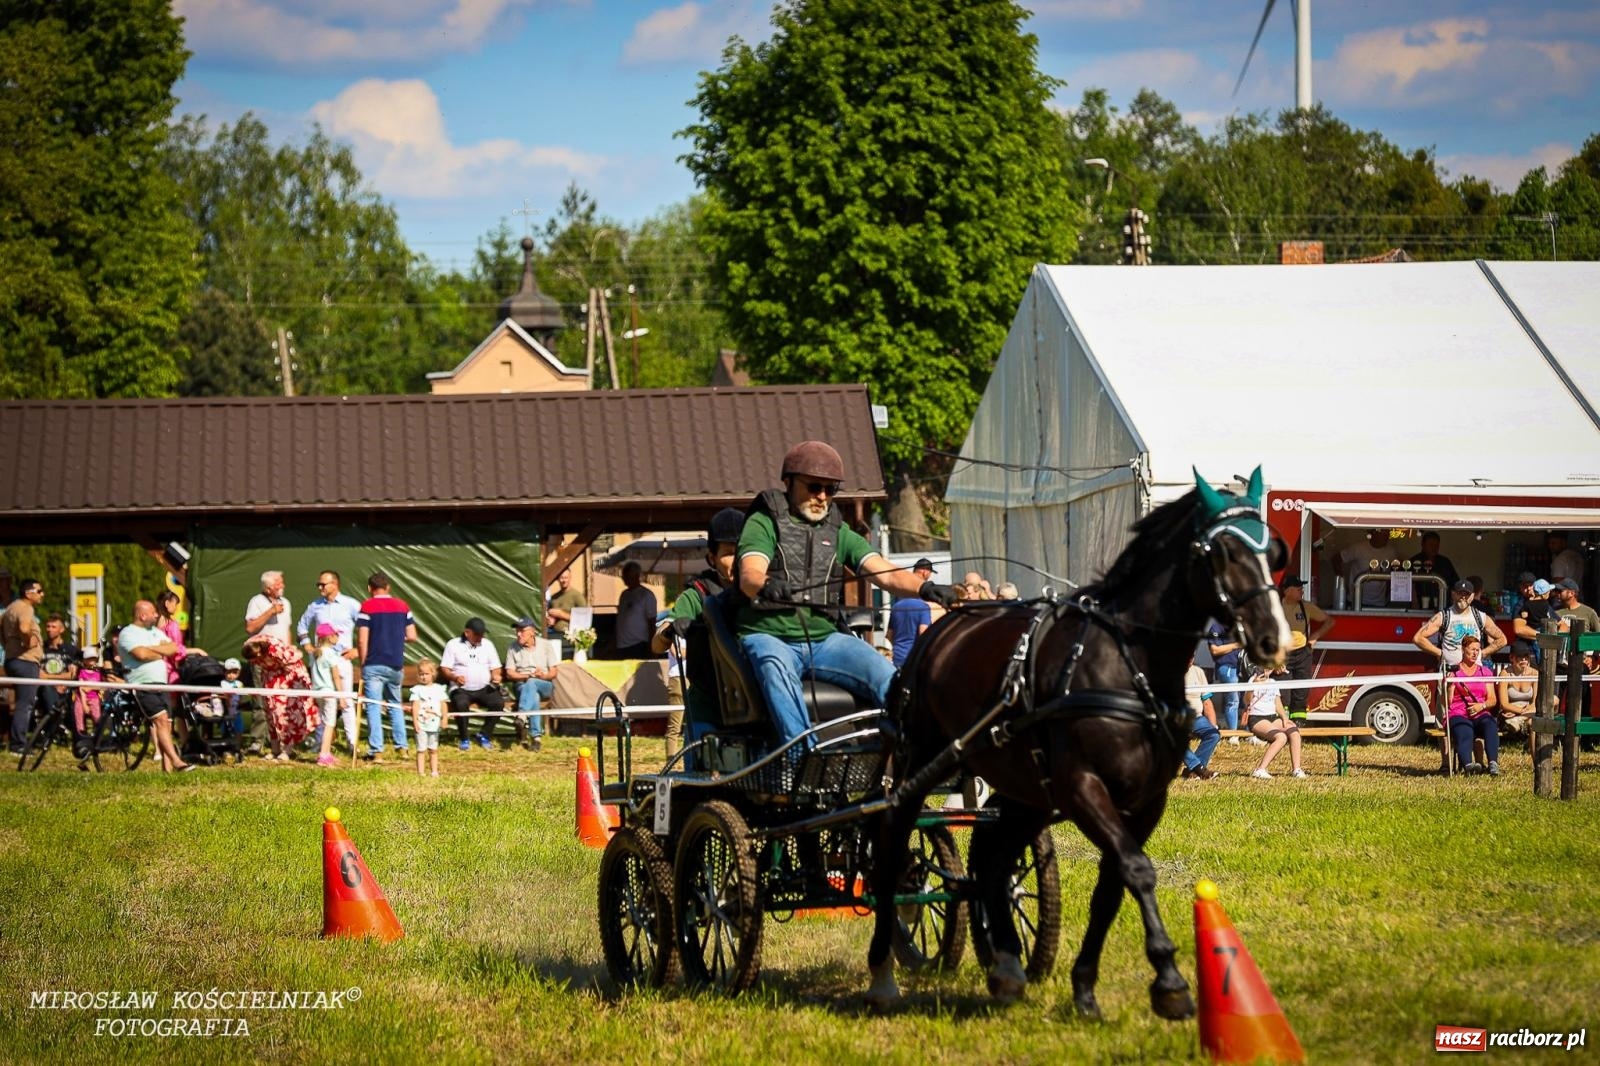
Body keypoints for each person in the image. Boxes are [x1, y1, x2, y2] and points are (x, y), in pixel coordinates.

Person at [735, 440, 958, 750]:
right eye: (814, 486)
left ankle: (910, 751)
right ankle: (804, 758)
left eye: (831, 489)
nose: (822, 497)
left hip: (824, 639)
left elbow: (886, 573)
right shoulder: (764, 522)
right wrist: (766, 584)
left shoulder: (838, 532)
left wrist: (925, 589)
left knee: (887, 675)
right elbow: (749, 575)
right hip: (769, 636)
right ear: (788, 483)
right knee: (776, 669)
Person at [651, 507, 746, 759]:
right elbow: (657, 645)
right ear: (711, 558)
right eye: (728, 553)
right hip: (707, 706)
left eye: (741, 552)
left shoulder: (761, 592)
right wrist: (669, 630)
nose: (736, 560)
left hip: (753, 705)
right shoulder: (696, 595)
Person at [117, 600, 194, 773]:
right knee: (159, 721)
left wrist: (151, 649)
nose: (157, 615)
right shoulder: (128, 633)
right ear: (142, 615)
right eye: (153, 612)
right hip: (142, 684)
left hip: (162, 684)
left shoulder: (155, 632)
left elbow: (173, 647)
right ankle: (177, 761)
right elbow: (141, 654)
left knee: (166, 725)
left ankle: (166, 771)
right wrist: (159, 651)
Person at [355, 570, 417, 761]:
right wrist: (395, 638)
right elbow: (413, 636)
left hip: (374, 663)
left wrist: (364, 662)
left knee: (373, 707)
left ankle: (377, 751)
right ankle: (403, 748)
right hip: (396, 665)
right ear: (388, 587)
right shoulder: (402, 606)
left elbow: (362, 640)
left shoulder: (367, 607)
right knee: (394, 705)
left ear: (369, 588)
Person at [241, 635, 318, 760]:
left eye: (258, 655)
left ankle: (287, 749)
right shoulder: (250, 647)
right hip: (270, 677)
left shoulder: (275, 649)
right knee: (270, 714)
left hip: (289, 675)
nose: (258, 658)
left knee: (285, 714)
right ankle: (275, 749)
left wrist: (286, 684)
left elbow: (292, 663)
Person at [440, 617, 504, 751]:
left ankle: (484, 734)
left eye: (482, 634)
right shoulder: (453, 645)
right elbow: (445, 669)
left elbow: (496, 667)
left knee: (498, 703)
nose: (480, 637)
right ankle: (464, 738)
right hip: (461, 688)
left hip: (484, 687)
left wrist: (496, 676)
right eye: (477, 634)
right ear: (467, 632)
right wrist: (455, 677)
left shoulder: (488, 645)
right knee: (460, 703)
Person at [1413, 579, 1508, 668]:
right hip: (1450, 674)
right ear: (1453, 594)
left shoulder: (1481, 617)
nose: (1463, 597)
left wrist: (1483, 653)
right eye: (1460, 593)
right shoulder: (1443, 616)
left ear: (1472, 596)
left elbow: (1502, 639)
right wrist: (1440, 653)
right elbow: (1418, 638)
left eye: (1466, 594)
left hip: (1474, 674)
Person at [1278, 576, 1333, 721]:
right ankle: (1282, 723)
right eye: (1298, 589)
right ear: (1287, 591)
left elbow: (1329, 621)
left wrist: (1314, 637)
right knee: (1283, 693)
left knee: (1301, 691)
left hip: (1303, 653)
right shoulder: (1276, 608)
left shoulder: (1306, 607)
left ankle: (1298, 723)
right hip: (1283, 654)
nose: (1302, 591)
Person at [1446, 635, 1500, 776]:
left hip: (1480, 712)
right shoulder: (1454, 672)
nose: (1475, 653)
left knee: (1490, 724)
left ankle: (1493, 763)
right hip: (1458, 713)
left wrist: (1481, 706)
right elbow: (1447, 702)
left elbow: (1492, 699)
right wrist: (1448, 685)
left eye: (1478, 650)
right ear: (1463, 650)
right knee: (1465, 730)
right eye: (1472, 649)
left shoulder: (1485, 672)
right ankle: (1468, 765)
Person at [2, 578, 46, 755]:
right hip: (26, 661)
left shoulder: (10, 608)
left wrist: (9, 647)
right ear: (29, 593)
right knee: (25, 704)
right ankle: (18, 745)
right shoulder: (26, 608)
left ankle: (17, 742)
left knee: (21, 703)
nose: (42, 595)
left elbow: (1, 631)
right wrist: (29, 641)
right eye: (39, 591)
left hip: (12, 660)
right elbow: (24, 627)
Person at [504, 617, 558, 753]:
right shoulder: (513, 647)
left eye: (522, 630)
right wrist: (528, 676)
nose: (518, 634)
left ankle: (522, 715)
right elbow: (510, 673)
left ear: (532, 632)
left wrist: (542, 676)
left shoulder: (546, 645)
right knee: (532, 692)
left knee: (533, 683)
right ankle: (536, 738)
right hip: (522, 684)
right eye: (517, 631)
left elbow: (554, 672)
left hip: (544, 683)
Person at [1245, 666, 1305, 779]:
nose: (1268, 668)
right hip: (1257, 718)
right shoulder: (1252, 680)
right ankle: (1260, 769)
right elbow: (1247, 700)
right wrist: (1254, 685)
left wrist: (1284, 718)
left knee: (1294, 732)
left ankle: (1296, 769)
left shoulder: (1273, 682)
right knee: (1281, 737)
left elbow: (1278, 704)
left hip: (1272, 717)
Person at [311, 623, 356, 767]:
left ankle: (326, 752)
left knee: (326, 722)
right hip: (329, 692)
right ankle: (323, 755)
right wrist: (341, 697)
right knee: (330, 724)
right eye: (336, 634)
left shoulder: (317, 653)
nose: (338, 637)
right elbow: (336, 676)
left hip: (318, 692)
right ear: (329, 637)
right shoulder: (330, 653)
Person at [888, 558, 936, 667]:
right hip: (915, 660)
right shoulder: (923, 607)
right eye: (930, 573)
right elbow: (923, 633)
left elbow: (889, 635)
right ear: (925, 572)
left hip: (898, 659)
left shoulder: (896, 606)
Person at [1181, 654, 1221, 780]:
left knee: (1213, 735)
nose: (1190, 660)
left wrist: (1213, 725)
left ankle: (1192, 770)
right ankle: (1199, 769)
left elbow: (1207, 702)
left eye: (1192, 656)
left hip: (1196, 717)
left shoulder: (1198, 672)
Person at [1205, 619, 1244, 740]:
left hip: (1244, 668)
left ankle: (1248, 732)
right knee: (1233, 700)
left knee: (1247, 701)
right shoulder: (1216, 627)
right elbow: (1215, 650)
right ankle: (1233, 734)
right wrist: (1236, 645)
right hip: (1227, 667)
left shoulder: (1242, 626)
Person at [409, 659, 447, 777]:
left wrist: (444, 719)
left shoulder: (439, 689)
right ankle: (421, 772)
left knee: (433, 749)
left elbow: (443, 705)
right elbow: (415, 706)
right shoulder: (417, 690)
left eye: (426, 674)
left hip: (434, 725)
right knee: (421, 750)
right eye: (421, 674)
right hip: (421, 725)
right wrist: (415, 722)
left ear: (433, 674)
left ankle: (434, 771)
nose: (424, 677)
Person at [613, 560, 658, 659]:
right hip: (622, 645)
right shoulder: (624, 594)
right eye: (624, 576)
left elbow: (651, 622)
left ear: (636, 576)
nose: (624, 578)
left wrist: (652, 646)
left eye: (627, 575)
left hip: (639, 645)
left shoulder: (646, 595)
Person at [1340, 528, 1392, 608]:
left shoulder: (1391, 551)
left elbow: (1390, 574)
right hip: (1356, 601)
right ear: (1375, 533)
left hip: (1379, 603)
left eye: (1388, 534)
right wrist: (1342, 585)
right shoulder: (1358, 548)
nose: (1387, 537)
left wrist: (1388, 594)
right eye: (1384, 535)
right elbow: (1336, 559)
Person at [1497, 641, 1538, 736]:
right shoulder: (1505, 674)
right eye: (1520, 657)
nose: (1524, 660)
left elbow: (1536, 701)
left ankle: (1520, 721)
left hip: (1528, 710)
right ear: (1512, 658)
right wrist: (1519, 711)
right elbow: (1504, 704)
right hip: (1510, 711)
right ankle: (1522, 721)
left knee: (1554, 700)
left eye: (1526, 656)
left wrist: (1521, 714)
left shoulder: (1534, 673)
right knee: (1532, 719)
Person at [73, 648, 105, 767]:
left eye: (93, 658)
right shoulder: (82, 672)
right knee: (78, 712)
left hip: (94, 698)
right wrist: (84, 702)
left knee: (97, 716)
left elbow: (101, 686)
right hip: (82, 698)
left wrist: (91, 687)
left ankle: (98, 735)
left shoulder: (98, 673)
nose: (91, 661)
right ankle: (80, 734)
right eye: (89, 659)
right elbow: (81, 688)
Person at [244, 570, 292, 644]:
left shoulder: (286, 602)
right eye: (278, 584)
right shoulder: (256, 601)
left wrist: (289, 648)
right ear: (268, 589)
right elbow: (250, 628)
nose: (283, 586)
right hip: (264, 652)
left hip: (282, 652)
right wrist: (270, 612)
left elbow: (287, 629)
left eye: (282, 582)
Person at [1410, 532, 1459, 600]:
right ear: (1423, 545)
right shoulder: (1414, 562)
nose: (1434, 548)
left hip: (1442, 602)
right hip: (1418, 603)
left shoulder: (1445, 562)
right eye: (1431, 545)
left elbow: (1455, 583)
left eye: (1436, 545)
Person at [545, 569, 587, 649]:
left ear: (570, 578)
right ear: (557, 579)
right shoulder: (554, 598)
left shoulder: (577, 596)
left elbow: (584, 619)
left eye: (565, 577)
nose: (563, 580)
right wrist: (549, 620)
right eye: (561, 578)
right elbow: (548, 617)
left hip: (571, 638)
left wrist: (562, 614)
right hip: (554, 635)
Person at [1513, 575, 1554, 645]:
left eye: (1531, 585)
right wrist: (1545, 636)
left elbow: (1561, 623)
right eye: (1525, 586)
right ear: (1520, 588)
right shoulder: (1521, 605)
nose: (1529, 589)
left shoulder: (1545, 603)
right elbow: (1519, 629)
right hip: (1530, 645)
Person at [220, 657, 246, 739]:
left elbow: (241, 696)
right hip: (225, 712)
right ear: (224, 672)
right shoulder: (222, 683)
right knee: (225, 730)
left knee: (239, 729)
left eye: (234, 673)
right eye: (229, 672)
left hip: (236, 712)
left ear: (239, 673)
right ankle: (226, 747)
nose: (231, 675)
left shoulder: (240, 684)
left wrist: (240, 703)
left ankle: (237, 747)